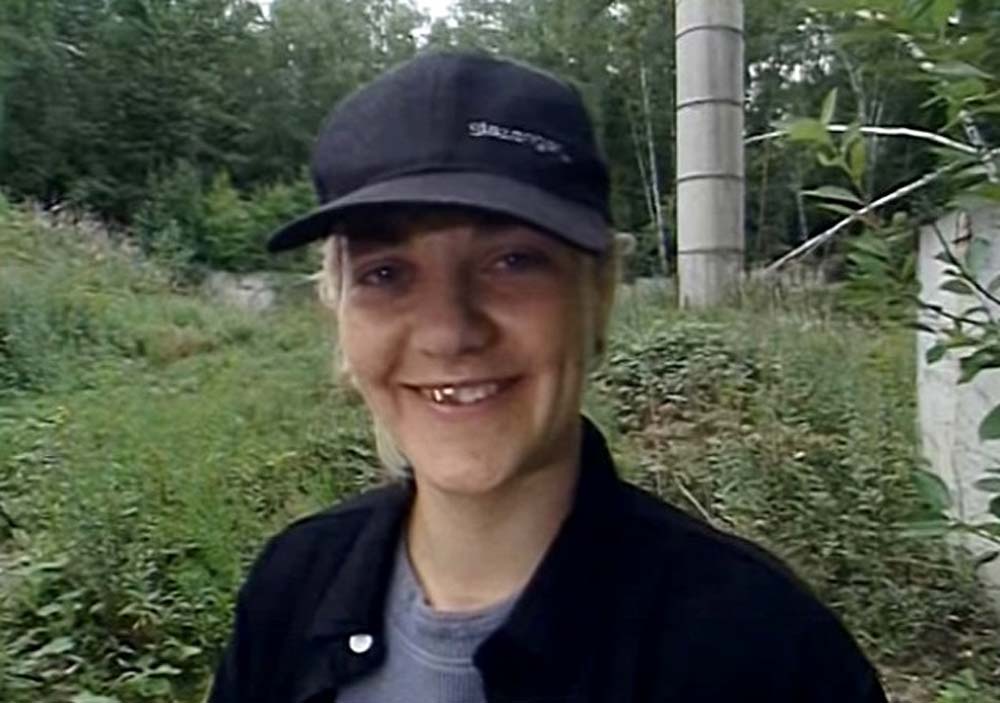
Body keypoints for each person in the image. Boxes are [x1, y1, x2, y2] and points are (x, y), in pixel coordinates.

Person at [208, 51, 887, 703]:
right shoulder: (290, 590)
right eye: (385, 274)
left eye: (512, 261)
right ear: (337, 309)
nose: (449, 331)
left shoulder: (762, 652)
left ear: (600, 293)